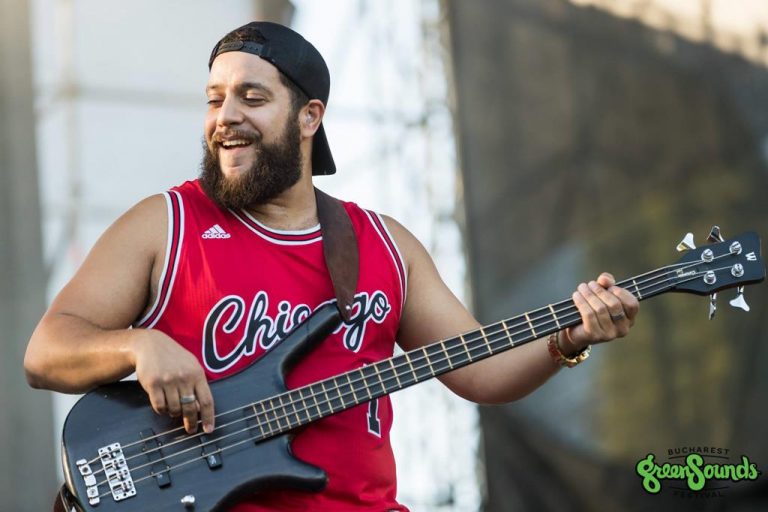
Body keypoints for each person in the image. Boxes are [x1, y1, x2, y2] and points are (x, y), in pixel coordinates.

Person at [24, 21, 639, 511]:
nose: (225, 116)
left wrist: (570, 337)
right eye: (215, 99)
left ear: (309, 117)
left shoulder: (383, 244)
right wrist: (138, 346)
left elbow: (481, 372)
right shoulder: (167, 223)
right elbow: (47, 351)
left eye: (252, 97)